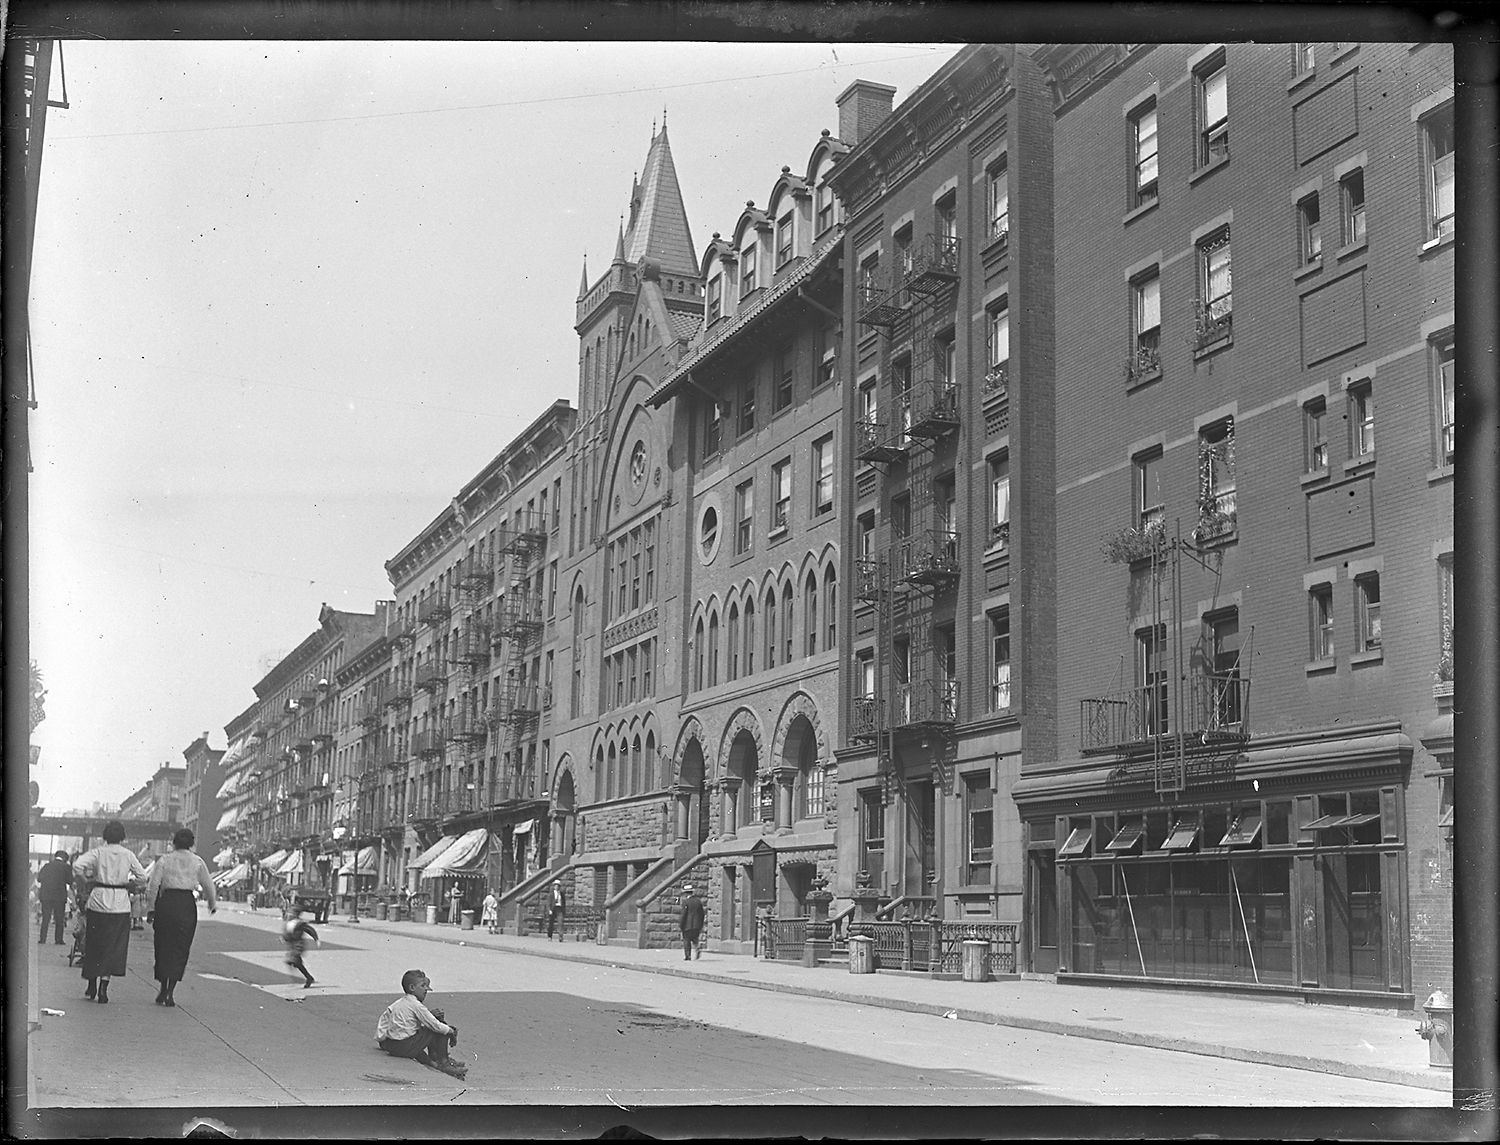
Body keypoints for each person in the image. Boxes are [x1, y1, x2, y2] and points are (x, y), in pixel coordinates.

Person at [73, 821, 148, 1003]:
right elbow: (142, 877)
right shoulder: (128, 855)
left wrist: (87, 880)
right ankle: (103, 989)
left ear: (105, 836)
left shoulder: (98, 852)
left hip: (98, 901)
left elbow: (77, 865)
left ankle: (91, 983)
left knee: (94, 944)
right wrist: (129, 884)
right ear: (122, 837)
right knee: (112, 947)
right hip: (120, 904)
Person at [145, 827, 218, 1007]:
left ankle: (162, 987)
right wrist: (212, 903)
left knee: (163, 945)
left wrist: (151, 908)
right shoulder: (198, 862)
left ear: (174, 842)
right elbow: (208, 885)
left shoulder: (165, 860)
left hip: (167, 904)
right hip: (186, 904)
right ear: (191, 843)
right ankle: (170, 991)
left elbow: (153, 885)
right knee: (181, 947)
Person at [375, 969, 467, 1080]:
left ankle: (434, 1062)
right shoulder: (415, 1005)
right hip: (403, 1046)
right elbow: (435, 1025)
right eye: (423, 986)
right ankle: (444, 1062)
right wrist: (451, 1031)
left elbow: (391, 1022)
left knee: (423, 1031)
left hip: (393, 1046)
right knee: (440, 1026)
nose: (425, 989)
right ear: (412, 988)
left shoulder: (400, 1003)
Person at [36, 851, 72, 945]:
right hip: (59, 897)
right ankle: (58, 940)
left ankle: (42, 939)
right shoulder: (66, 867)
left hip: (46, 896)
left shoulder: (47, 866)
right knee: (59, 919)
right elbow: (70, 881)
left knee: (45, 918)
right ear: (65, 858)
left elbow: (39, 879)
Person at [282, 905, 319, 988]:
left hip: (298, 945)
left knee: (292, 960)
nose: (289, 914)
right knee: (298, 964)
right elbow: (286, 934)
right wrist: (284, 938)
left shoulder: (300, 923)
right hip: (291, 946)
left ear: (296, 914)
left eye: (291, 913)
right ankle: (308, 978)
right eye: (289, 913)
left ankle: (296, 979)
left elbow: (310, 930)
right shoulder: (288, 923)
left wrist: (316, 938)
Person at [679, 883, 705, 961]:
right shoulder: (698, 902)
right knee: (695, 938)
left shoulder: (686, 902)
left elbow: (684, 915)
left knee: (686, 940)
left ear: (686, 893)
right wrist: (700, 924)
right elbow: (702, 914)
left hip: (687, 925)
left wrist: (681, 924)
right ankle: (697, 948)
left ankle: (688, 956)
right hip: (697, 925)